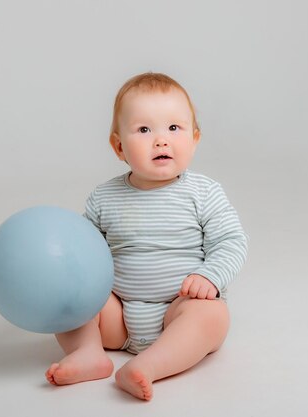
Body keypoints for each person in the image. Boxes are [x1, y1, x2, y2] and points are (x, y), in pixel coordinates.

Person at [45, 72, 248, 401]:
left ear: (194, 139)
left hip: (178, 310)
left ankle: (148, 366)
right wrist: (59, 265)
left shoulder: (204, 192)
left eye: (173, 128)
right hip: (118, 317)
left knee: (211, 315)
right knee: (68, 296)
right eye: (144, 129)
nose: (161, 140)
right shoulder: (103, 198)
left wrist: (209, 276)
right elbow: (83, 253)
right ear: (119, 146)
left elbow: (231, 241)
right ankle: (88, 351)